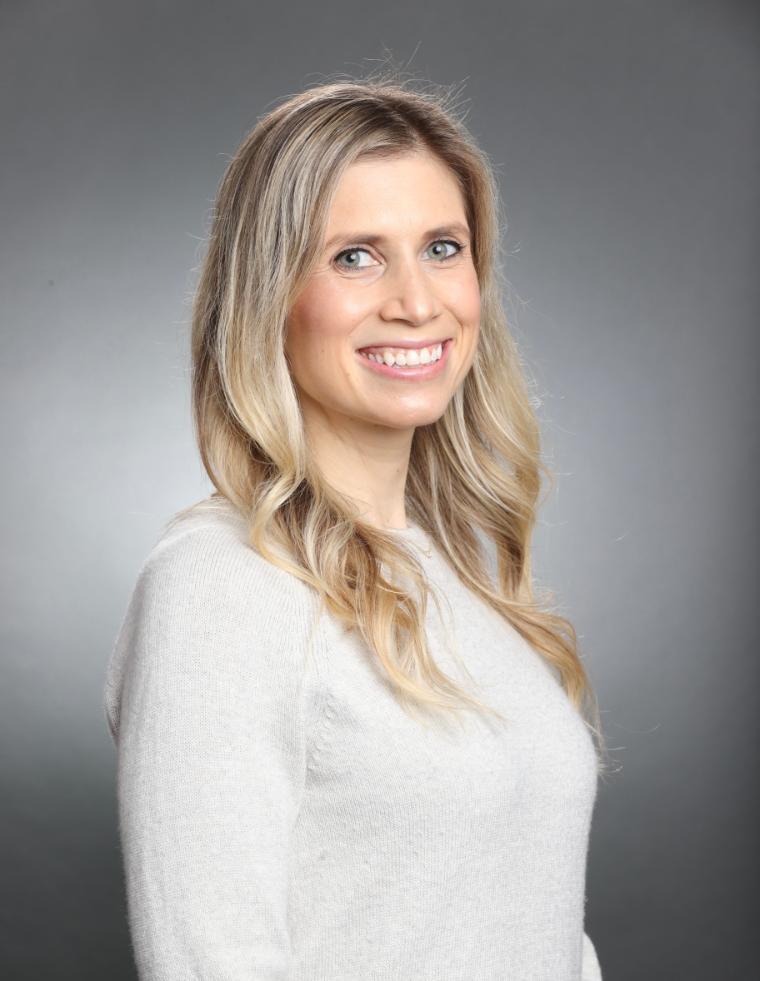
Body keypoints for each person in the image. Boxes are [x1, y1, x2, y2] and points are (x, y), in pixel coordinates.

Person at [103, 70, 609, 980]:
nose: (418, 301)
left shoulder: (462, 577)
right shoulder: (219, 584)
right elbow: (212, 961)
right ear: (269, 296)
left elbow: (540, 930)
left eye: (443, 248)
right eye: (355, 256)